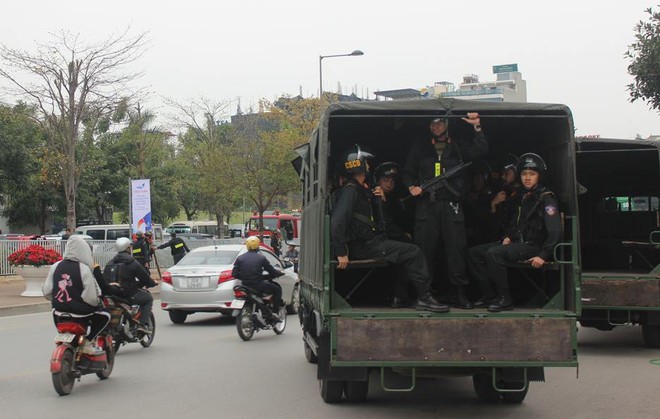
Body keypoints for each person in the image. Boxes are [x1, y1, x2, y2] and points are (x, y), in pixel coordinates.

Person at [331, 144, 449, 312]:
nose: (368, 167)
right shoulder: (351, 190)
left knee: (404, 252)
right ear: (358, 165)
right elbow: (337, 222)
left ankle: (400, 298)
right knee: (413, 252)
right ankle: (424, 298)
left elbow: (374, 220)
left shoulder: (358, 189)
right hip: (364, 246)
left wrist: (380, 200)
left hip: (368, 243)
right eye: (366, 163)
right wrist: (341, 252)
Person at [402, 114, 488, 309]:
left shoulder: (458, 145)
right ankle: (424, 294)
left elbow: (481, 150)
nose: (436, 126)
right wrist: (411, 187)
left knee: (456, 249)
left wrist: (477, 128)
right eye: (432, 122)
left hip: (452, 205)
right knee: (425, 250)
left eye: (440, 122)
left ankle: (459, 293)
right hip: (426, 205)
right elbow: (407, 173)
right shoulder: (421, 146)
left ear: (447, 124)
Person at [466, 153, 562, 312]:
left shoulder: (546, 197)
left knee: (494, 253)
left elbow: (555, 230)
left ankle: (505, 298)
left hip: (533, 247)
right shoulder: (521, 196)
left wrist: (543, 255)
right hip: (518, 243)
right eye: (524, 174)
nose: (528, 178)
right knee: (473, 253)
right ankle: (489, 295)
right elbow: (515, 223)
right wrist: (507, 237)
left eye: (532, 174)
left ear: (539, 176)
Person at [42, 235, 110, 355]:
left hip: (58, 312)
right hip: (80, 314)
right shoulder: (84, 269)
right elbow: (91, 297)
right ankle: (88, 342)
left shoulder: (55, 266)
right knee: (105, 316)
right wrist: (96, 305)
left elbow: (47, 291)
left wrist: (58, 301)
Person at [108, 237, 157, 332]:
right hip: (128, 294)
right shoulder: (132, 262)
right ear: (127, 249)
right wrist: (152, 283)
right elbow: (144, 277)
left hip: (113, 295)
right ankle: (142, 324)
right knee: (148, 298)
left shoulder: (110, 262)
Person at [232, 236, 285, 323]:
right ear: (257, 246)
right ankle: (275, 313)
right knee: (277, 289)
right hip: (258, 285)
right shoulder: (261, 258)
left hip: (245, 286)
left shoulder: (240, 258)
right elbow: (271, 270)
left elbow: (234, 274)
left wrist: (245, 277)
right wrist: (278, 273)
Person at [372, 161, 413, 243]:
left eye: (392, 182)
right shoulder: (373, 197)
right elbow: (386, 224)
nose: (389, 184)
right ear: (377, 180)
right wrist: (403, 236)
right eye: (385, 180)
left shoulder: (396, 198)